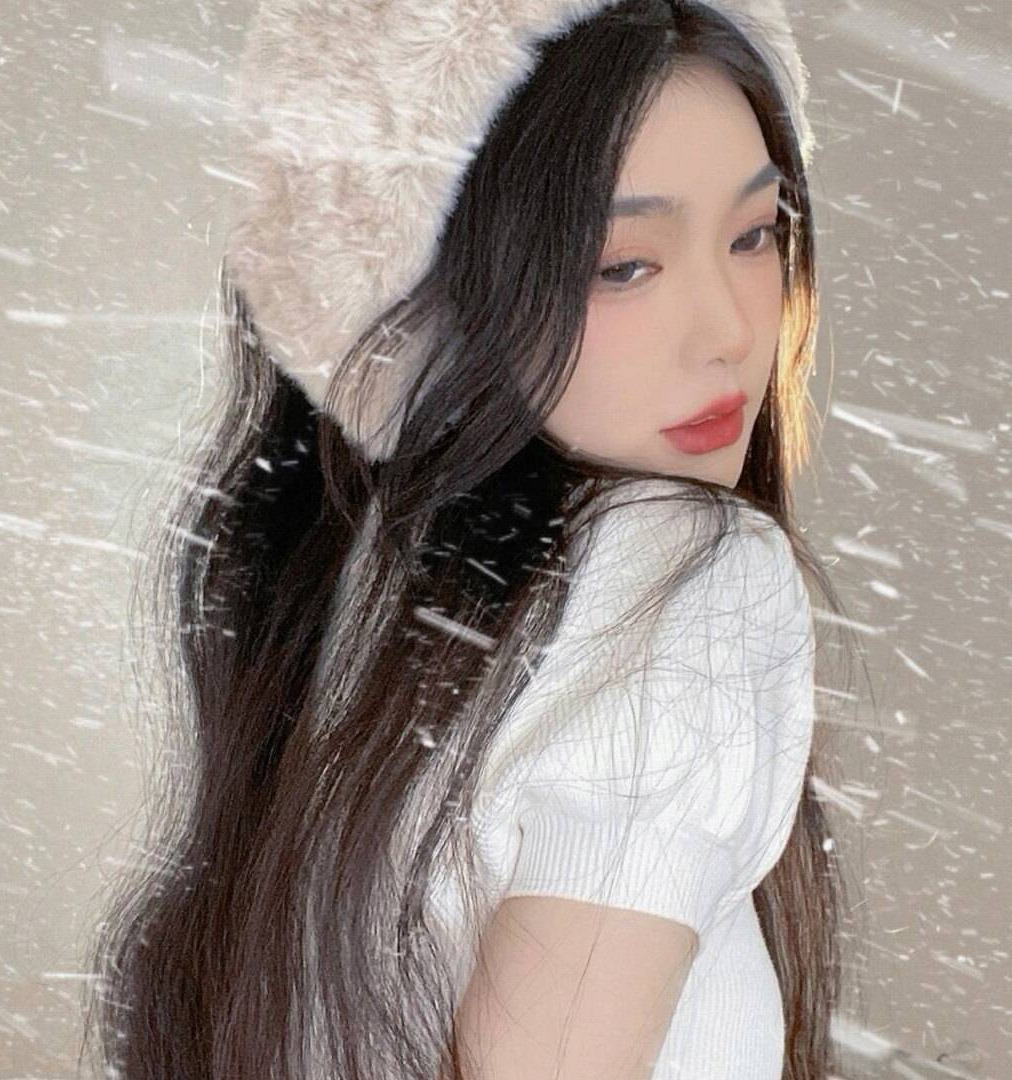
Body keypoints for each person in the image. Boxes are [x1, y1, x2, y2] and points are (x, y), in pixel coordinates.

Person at [80, 2, 860, 1079]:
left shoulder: (363, 600)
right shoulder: (687, 574)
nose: (731, 329)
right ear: (440, 288)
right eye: (624, 264)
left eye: (754, 235)